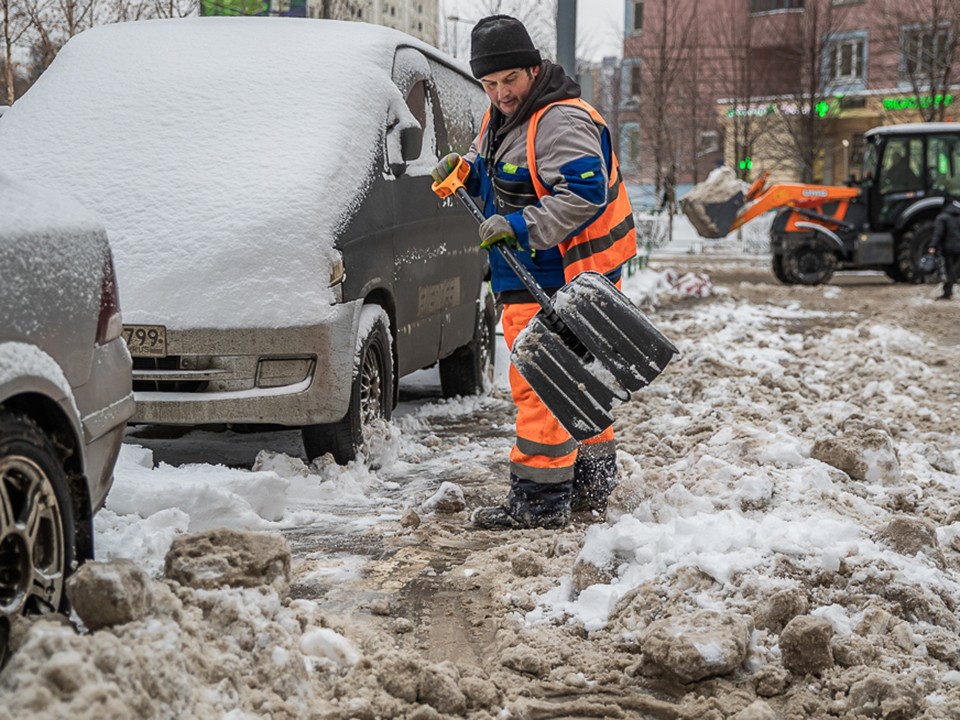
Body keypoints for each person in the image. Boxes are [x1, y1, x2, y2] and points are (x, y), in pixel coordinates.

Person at [431, 15, 637, 530]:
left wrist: (520, 228)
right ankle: (590, 486)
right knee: (577, 382)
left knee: (539, 384)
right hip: (534, 275)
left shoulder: (560, 120)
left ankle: (539, 504)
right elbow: (494, 176)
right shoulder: (502, 118)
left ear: (534, 68)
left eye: (510, 80)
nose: (501, 92)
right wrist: (466, 171)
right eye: (490, 83)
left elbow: (584, 195)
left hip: (556, 278)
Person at [928, 196, 960, 300]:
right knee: (954, 270)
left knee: (949, 270)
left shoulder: (943, 217)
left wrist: (932, 246)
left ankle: (947, 292)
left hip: (949, 248)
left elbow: (938, 234)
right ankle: (949, 290)